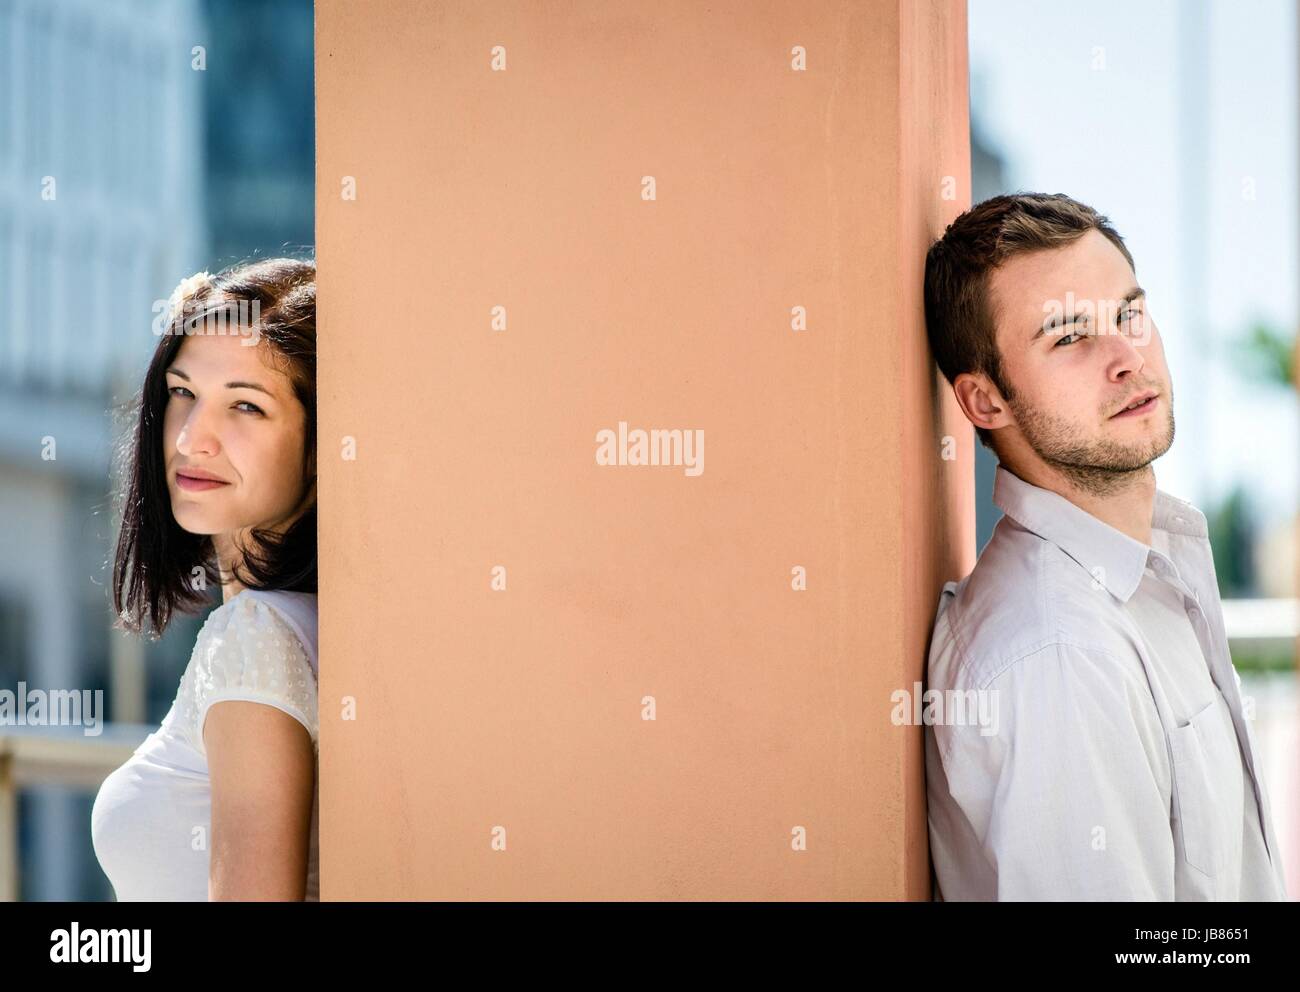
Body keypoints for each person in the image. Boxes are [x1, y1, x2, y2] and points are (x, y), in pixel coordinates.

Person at [921, 192, 1287, 901]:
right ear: (986, 401)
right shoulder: (1061, 655)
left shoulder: (1142, 577)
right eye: (1068, 337)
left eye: (1129, 314)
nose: (1127, 357)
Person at [91, 258, 320, 901]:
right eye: (184, 392)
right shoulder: (301, 624)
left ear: (321, 446)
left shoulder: (253, 638)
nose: (194, 438)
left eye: (246, 405)